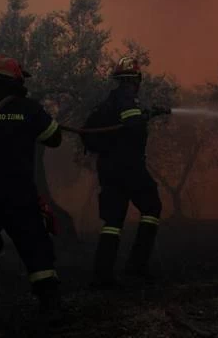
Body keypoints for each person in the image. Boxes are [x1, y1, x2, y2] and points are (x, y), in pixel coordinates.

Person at [0, 55, 63, 334]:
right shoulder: (27, 108)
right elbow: (54, 138)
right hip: (18, 192)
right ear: (16, 80)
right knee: (35, 246)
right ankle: (50, 308)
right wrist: (38, 114)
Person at [83, 56, 168, 287]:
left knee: (113, 220)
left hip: (108, 169)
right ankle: (137, 264)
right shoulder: (127, 98)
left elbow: (130, 119)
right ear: (136, 80)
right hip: (128, 166)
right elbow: (133, 123)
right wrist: (146, 116)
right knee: (152, 207)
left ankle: (103, 274)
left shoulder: (110, 101)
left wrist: (149, 113)